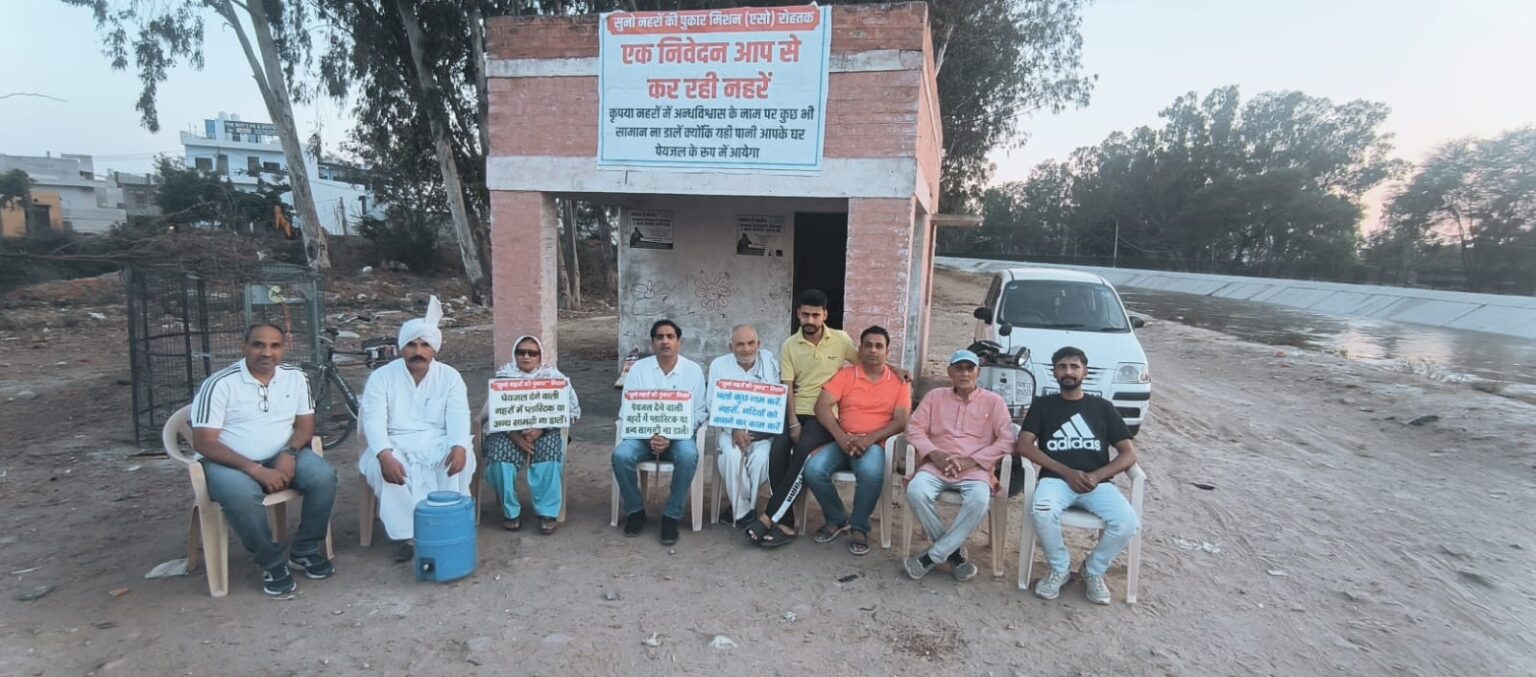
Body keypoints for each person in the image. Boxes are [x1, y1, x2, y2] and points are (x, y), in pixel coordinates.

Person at [190, 323, 337, 596]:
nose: (266, 352)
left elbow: (305, 426)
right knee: (241, 496)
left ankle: (304, 549)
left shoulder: (295, 377)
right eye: (258, 345)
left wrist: (290, 453)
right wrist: (255, 469)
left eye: (275, 345)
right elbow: (204, 443)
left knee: (324, 477)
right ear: (244, 346)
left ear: (285, 348)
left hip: (281, 454)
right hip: (228, 462)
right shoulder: (220, 384)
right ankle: (271, 561)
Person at [1016, 346, 1141, 605]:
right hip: (1055, 481)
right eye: (1062, 367)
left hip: (1097, 484)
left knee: (1127, 521)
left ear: (1085, 371)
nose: (1068, 372)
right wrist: (1066, 472)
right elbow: (1024, 445)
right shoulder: (1043, 405)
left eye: (1074, 366)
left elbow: (1128, 454)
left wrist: (1096, 476)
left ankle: (1093, 570)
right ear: (1054, 372)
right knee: (1042, 510)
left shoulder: (1103, 408)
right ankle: (1059, 568)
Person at [358, 296, 474, 563]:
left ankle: (445, 526)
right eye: (411, 344)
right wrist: (384, 454)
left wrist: (458, 446)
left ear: (434, 350)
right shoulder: (382, 377)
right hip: (393, 441)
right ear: (402, 348)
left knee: (459, 462)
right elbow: (373, 420)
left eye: (424, 345)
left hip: (439, 439)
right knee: (386, 468)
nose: (418, 351)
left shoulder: (450, 376)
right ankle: (409, 537)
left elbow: (458, 414)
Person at [794, 326, 912, 555]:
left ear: (887, 352)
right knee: (813, 469)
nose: (873, 350)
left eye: (879, 346)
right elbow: (822, 406)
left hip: (875, 445)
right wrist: (841, 437)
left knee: (870, 473)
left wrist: (869, 439)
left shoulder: (900, 382)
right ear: (860, 348)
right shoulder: (846, 375)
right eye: (868, 345)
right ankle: (837, 518)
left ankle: (859, 526)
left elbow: (901, 421)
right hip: (843, 441)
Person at [902, 349, 1017, 581]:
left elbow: (1007, 440)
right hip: (937, 465)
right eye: (959, 368)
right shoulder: (935, 397)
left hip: (975, 469)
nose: (964, 373)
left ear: (978, 372)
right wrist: (934, 454)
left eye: (969, 368)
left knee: (979, 500)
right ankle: (953, 555)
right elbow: (913, 429)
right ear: (950, 372)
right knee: (915, 490)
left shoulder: (994, 402)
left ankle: (931, 557)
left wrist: (971, 460)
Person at [612, 319, 707, 546]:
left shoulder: (693, 371)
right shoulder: (638, 370)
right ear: (653, 343)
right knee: (621, 455)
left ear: (679, 342)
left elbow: (700, 412)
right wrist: (649, 436)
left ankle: (671, 516)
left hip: (679, 437)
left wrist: (669, 436)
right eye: (660, 337)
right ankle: (635, 511)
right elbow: (628, 409)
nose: (665, 341)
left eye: (670, 337)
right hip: (643, 437)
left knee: (688, 455)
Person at [483, 335, 580, 535]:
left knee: (551, 453)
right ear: (515, 355)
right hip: (509, 432)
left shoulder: (555, 378)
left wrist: (541, 430)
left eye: (532, 353)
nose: (526, 356)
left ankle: (547, 512)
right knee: (500, 456)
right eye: (521, 352)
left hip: (544, 430)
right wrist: (514, 434)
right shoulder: (504, 378)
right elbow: (494, 412)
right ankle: (511, 511)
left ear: (540, 356)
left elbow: (571, 410)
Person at [706, 324, 782, 528]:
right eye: (740, 344)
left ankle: (742, 505)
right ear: (731, 347)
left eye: (751, 343)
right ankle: (745, 512)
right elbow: (712, 403)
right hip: (730, 429)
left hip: (761, 432)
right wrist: (735, 428)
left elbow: (775, 401)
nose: (746, 349)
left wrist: (759, 430)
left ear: (759, 344)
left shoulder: (769, 362)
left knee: (760, 460)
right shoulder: (719, 365)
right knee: (730, 457)